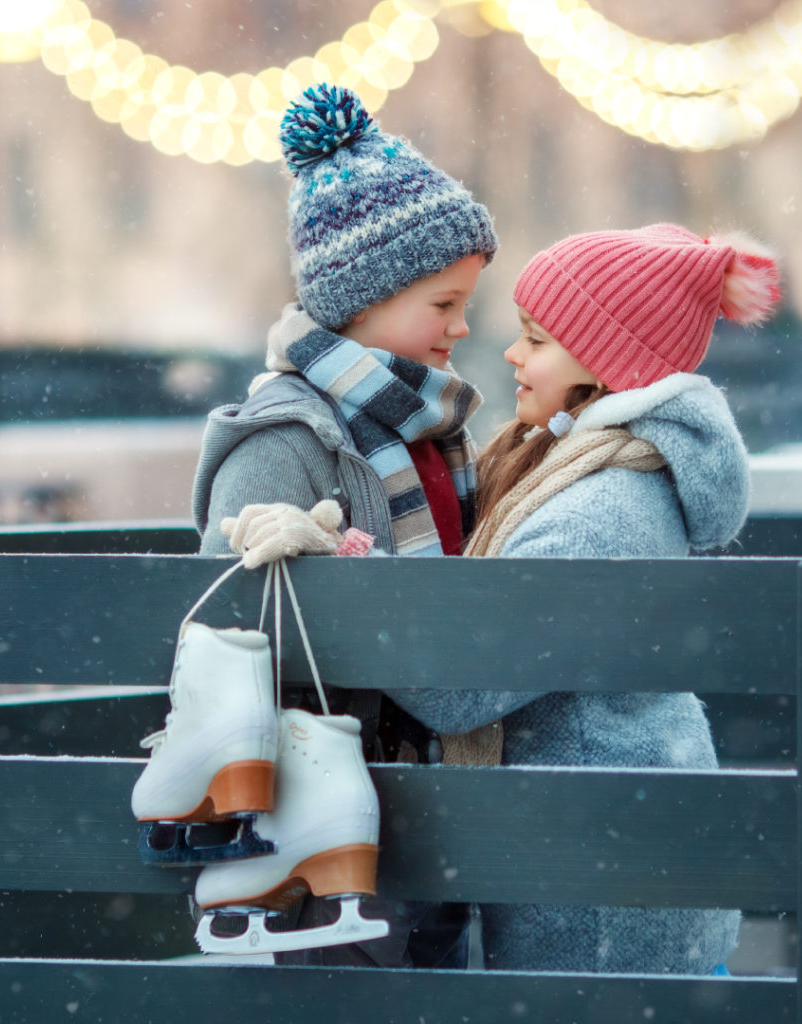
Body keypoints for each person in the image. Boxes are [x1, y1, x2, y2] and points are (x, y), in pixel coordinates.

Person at [389, 223, 781, 973]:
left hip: (609, 893)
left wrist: (339, 585)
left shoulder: (603, 509)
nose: (512, 354)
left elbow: (459, 686)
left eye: (535, 339)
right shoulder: (580, 471)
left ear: (605, 362)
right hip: (614, 857)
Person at [189, 82, 498, 968]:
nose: (462, 327)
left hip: (424, 796)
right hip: (323, 811)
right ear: (366, 297)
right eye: (442, 304)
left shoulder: (431, 429)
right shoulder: (290, 432)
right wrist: (298, 548)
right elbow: (223, 601)